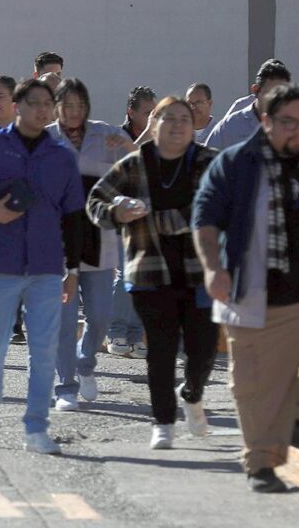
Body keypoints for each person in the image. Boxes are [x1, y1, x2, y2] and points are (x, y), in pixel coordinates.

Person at [192, 83, 299, 493]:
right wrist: (213, 268)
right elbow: (205, 217)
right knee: (253, 385)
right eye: (289, 122)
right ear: (266, 121)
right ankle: (261, 465)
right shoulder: (236, 163)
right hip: (251, 289)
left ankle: (297, 413)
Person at [0, 78, 84, 453]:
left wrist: (72, 269)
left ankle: (36, 427)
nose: (43, 110)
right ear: (17, 104)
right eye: (35, 103)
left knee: (42, 350)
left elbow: (74, 217)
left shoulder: (61, 156)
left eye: (49, 104)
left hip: (46, 267)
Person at [87, 96, 219, 450]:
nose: (176, 125)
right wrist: (117, 211)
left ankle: (192, 394)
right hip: (149, 272)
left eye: (184, 119)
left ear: (194, 127)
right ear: (154, 124)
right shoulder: (135, 165)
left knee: (202, 349)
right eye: (167, 118)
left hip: (201, 272)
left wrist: (152, 218)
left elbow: (216, 209)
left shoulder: (210, 163)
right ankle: (162, 422)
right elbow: (95, 201)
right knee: (160, 349)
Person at [47, 78, 135, 410]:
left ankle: (86, 365)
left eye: (79, 106)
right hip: (58, 243)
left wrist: (127, 148)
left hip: (100, 239)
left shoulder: (107, 135)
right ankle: (66, 385)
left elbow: (144, 168)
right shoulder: (46, 140)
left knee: (100, 317)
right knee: (65, 319)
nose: (73, 113)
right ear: (56, 107)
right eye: (66, 106)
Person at [109, 86, 156, 356]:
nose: (152, 119)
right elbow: (118, 171)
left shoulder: (158, 138)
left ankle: (136, 334)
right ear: (131, 112)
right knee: (126, 273)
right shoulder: (117, 137)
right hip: (122, 215)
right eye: (148, 113)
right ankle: (116, 332)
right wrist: (145, 137)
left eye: (155, 113)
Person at [205, 59, 291, 150]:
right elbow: (206, 162)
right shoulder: (229, 128)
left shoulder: (293, 128)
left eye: (282, 94)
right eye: (270, 94)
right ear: (256, 90)